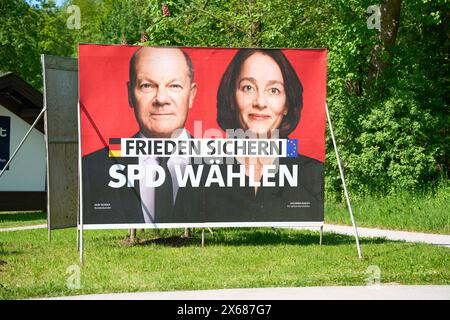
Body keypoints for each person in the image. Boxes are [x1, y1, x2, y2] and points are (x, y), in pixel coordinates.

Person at [82, 47, 202, 224]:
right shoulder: (92, 167)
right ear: (130, 93)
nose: (161, 99)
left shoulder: (222, 163)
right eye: (147, 85)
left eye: (174, 86)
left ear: (191, 95)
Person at [204, 48, 324, 222]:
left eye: (273, 90)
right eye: (248, 88)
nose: (260, 102)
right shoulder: (201, 173)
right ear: (231, 97)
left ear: (287, 105)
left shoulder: (312, 174)